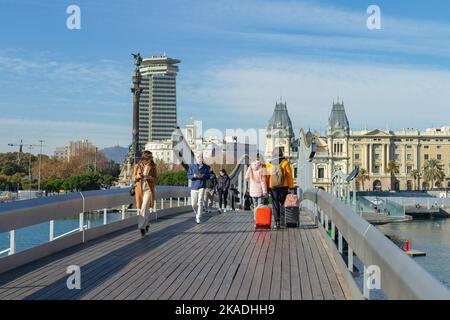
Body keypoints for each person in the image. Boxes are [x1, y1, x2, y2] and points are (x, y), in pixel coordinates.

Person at [265, 147, 294, 229]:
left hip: (273, 187)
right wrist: (291, 187)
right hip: (283, 186)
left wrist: (267, 188)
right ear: (281, 153)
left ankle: (276, 222)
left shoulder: (269, 164)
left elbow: (266, 177)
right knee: (283, 203)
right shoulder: (285, 163)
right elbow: (289, 176)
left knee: (275, 204)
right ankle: (282, 221)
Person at [132, 150, 158, 237]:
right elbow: (133, 177)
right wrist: (138, 177)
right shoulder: (137, 166)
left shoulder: (152, 166)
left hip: (148, 190)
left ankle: (141, 227)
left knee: (143, 207)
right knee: (145, 209)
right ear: (145, 158)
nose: (151, 159)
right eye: (150, 157)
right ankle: (147, 224)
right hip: (139, 190)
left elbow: (156, 179)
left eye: (151, 157)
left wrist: (149, 177)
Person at [187, 152, 211, 224]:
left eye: (200, 157)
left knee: (200, 201)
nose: (199, 158)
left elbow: (208, 176)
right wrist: (194, 176)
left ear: (202, 158)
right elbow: (188, 176)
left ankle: (198, 216)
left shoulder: (206, 167)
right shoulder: (192, 166)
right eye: (198, 157)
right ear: (195, 158)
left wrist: (202, 176)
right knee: (193, 204)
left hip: (201, 186)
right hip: (194, 187)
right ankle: (196, 212)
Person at [245, 153, 268, 219]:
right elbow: (263, 182)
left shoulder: (251, 167)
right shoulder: (262, 167)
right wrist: (265, 192)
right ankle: (259, 219)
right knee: (260, 206)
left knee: (255, 206)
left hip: (253, 190)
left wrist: (252, 180)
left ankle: (256, 219)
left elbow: (246, 177)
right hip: (260, 191)